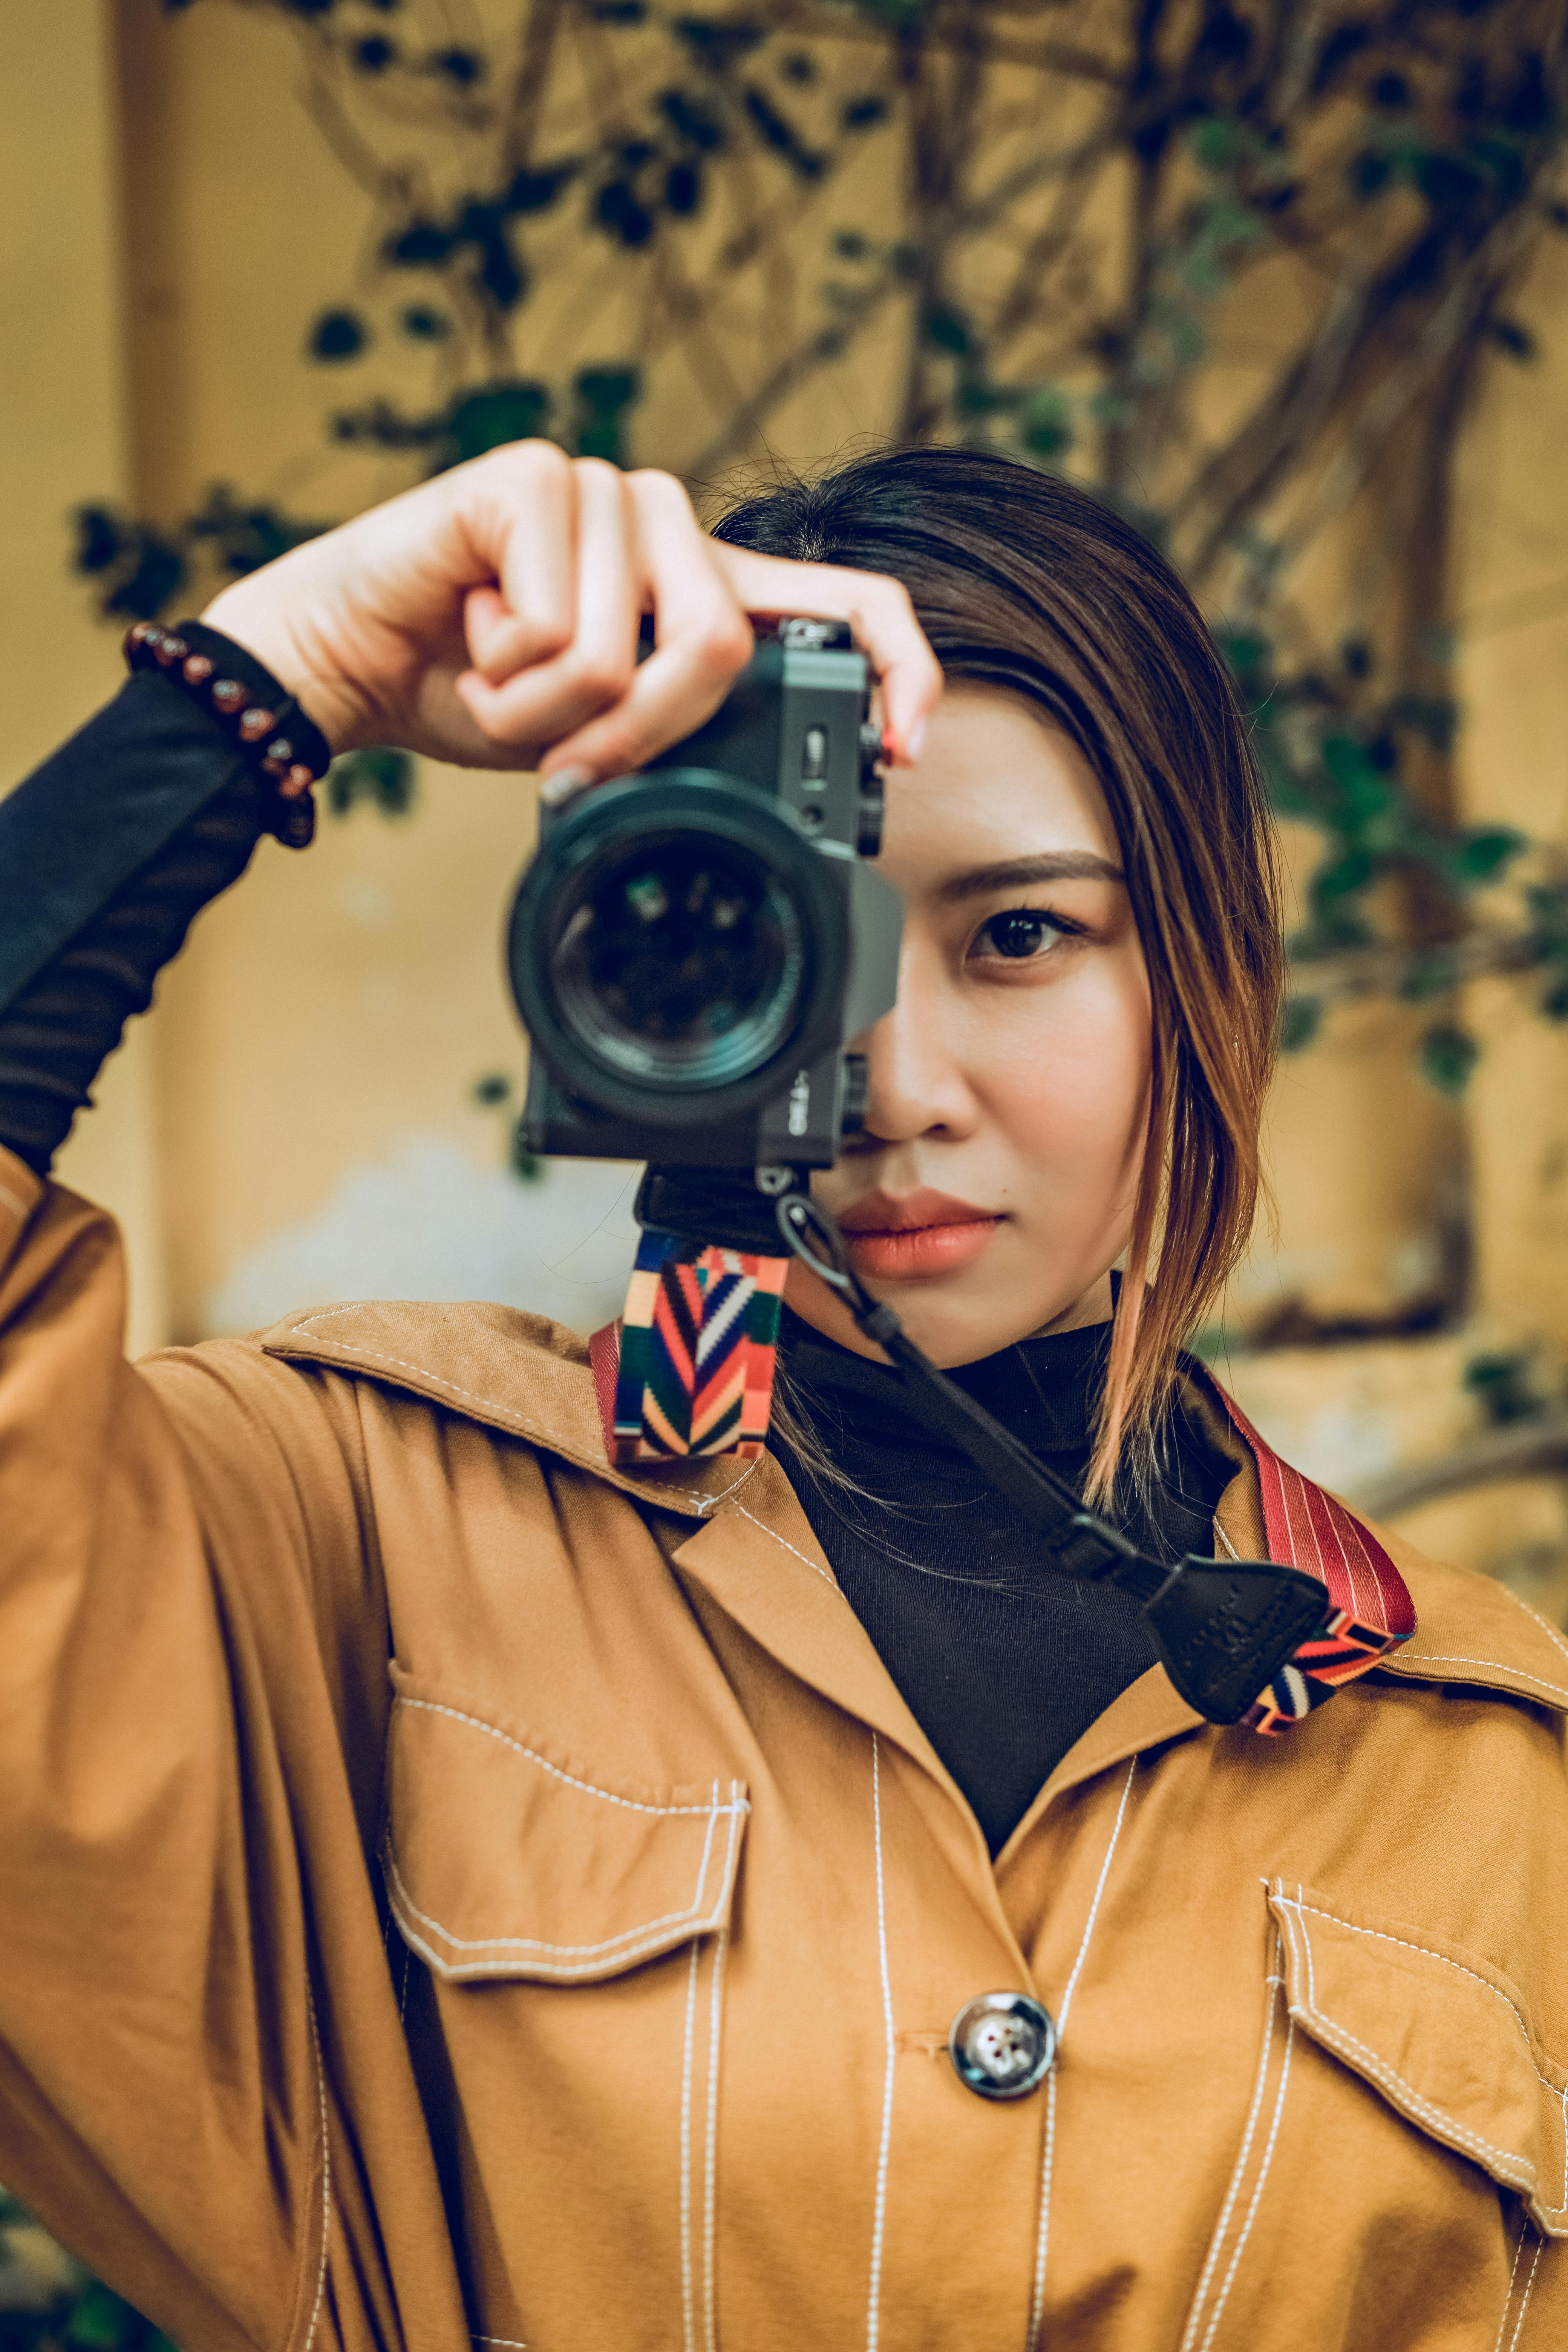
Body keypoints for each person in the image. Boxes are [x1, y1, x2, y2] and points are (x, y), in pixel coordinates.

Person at [0, 441, 1563, 2352]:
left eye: (1017, 936)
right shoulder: (355, 1536)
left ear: (1202, 973)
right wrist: (268, 685)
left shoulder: (1500, 1772)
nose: (897, 1083)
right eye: (795, 937)